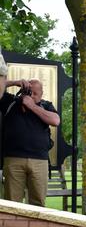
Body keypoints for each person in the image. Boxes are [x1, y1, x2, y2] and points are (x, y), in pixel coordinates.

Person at [0, 78, 59, 206]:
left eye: (35, 94)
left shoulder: (46, 105)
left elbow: (55, 121)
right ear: (22, 91)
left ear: (41, 94)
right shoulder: (10, 102)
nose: (31, 96)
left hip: (40, 161)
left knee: (38, 204)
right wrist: (14, 82)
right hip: (13, 159)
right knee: (12, 204)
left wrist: (31, 106)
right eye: (28, 92)